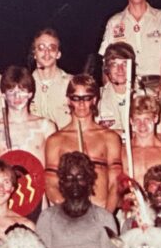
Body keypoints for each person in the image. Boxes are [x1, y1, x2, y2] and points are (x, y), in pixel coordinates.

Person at [43, 74, 122, 212]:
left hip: (102, 211)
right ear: (68, 100)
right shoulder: (55, 140)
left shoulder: (110, 137)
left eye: (87, 98)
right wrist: (70, 212)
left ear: (94, 100)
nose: (81, 104)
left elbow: (115, 183)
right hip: (67, 214)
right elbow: (51, 184)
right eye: (76, 98)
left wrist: (106, 217)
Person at [0, 66, 56, 164]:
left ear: (30, 94)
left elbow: (53, 167)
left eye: (22, 91)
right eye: (11, 91)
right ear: (4, 95)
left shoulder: (46, 127)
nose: (17, 96)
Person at [127, 94, 161, 209]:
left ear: (156, 119)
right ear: (131, 121)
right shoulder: (124, 152)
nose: (142, 125)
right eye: (137, 120)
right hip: (130, 215)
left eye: (147, 119)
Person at [30, 28, 74, 130]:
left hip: (65, 142)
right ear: (34, 54)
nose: (47, 52)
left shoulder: (71, 83)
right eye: (41, 47)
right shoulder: (25, 84)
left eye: (52, 48)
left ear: (58, 54)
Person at [96, 42, 136, 136]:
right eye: (114, 64)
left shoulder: (146, 95)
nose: (120, 69)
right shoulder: (96, 97)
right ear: (107, 68)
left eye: (125, 63)